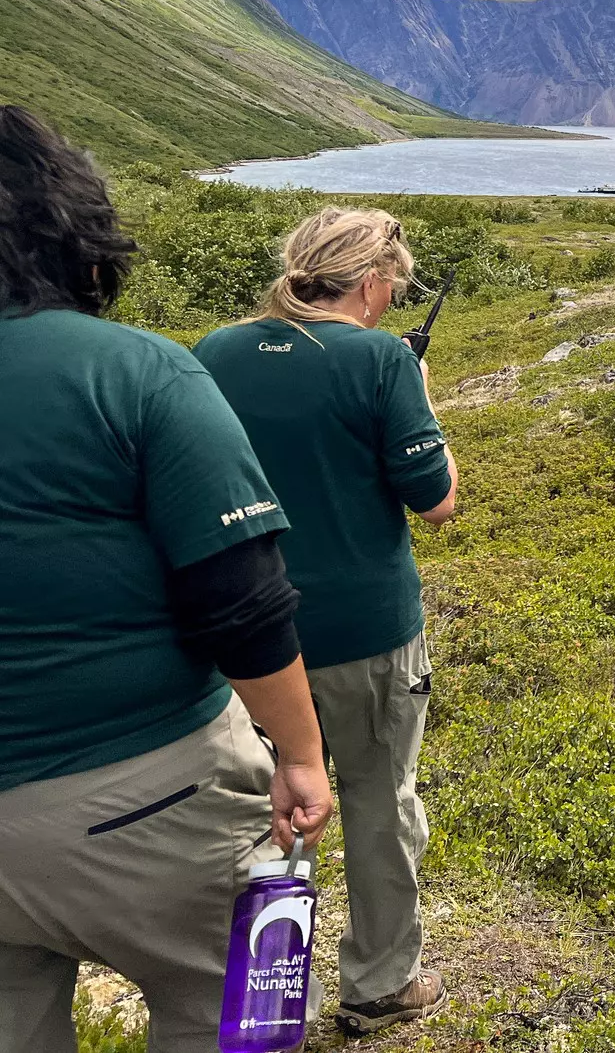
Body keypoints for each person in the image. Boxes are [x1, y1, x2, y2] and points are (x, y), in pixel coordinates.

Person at [0, 106, 334, 1053]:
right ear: (73, 232)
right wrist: (301, 757)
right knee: (234, 1014)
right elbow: (245, 601)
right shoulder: (137, 372)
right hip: (142, 796)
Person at [194, 207, 458, 1038]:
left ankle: (251, 994)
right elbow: (438, 500)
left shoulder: (216, 350)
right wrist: (416, 391)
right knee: (380, 804)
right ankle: (379, 986)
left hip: (242, 639)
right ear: (375, 283)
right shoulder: (383, 360)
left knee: (254, 811)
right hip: (366, 632)